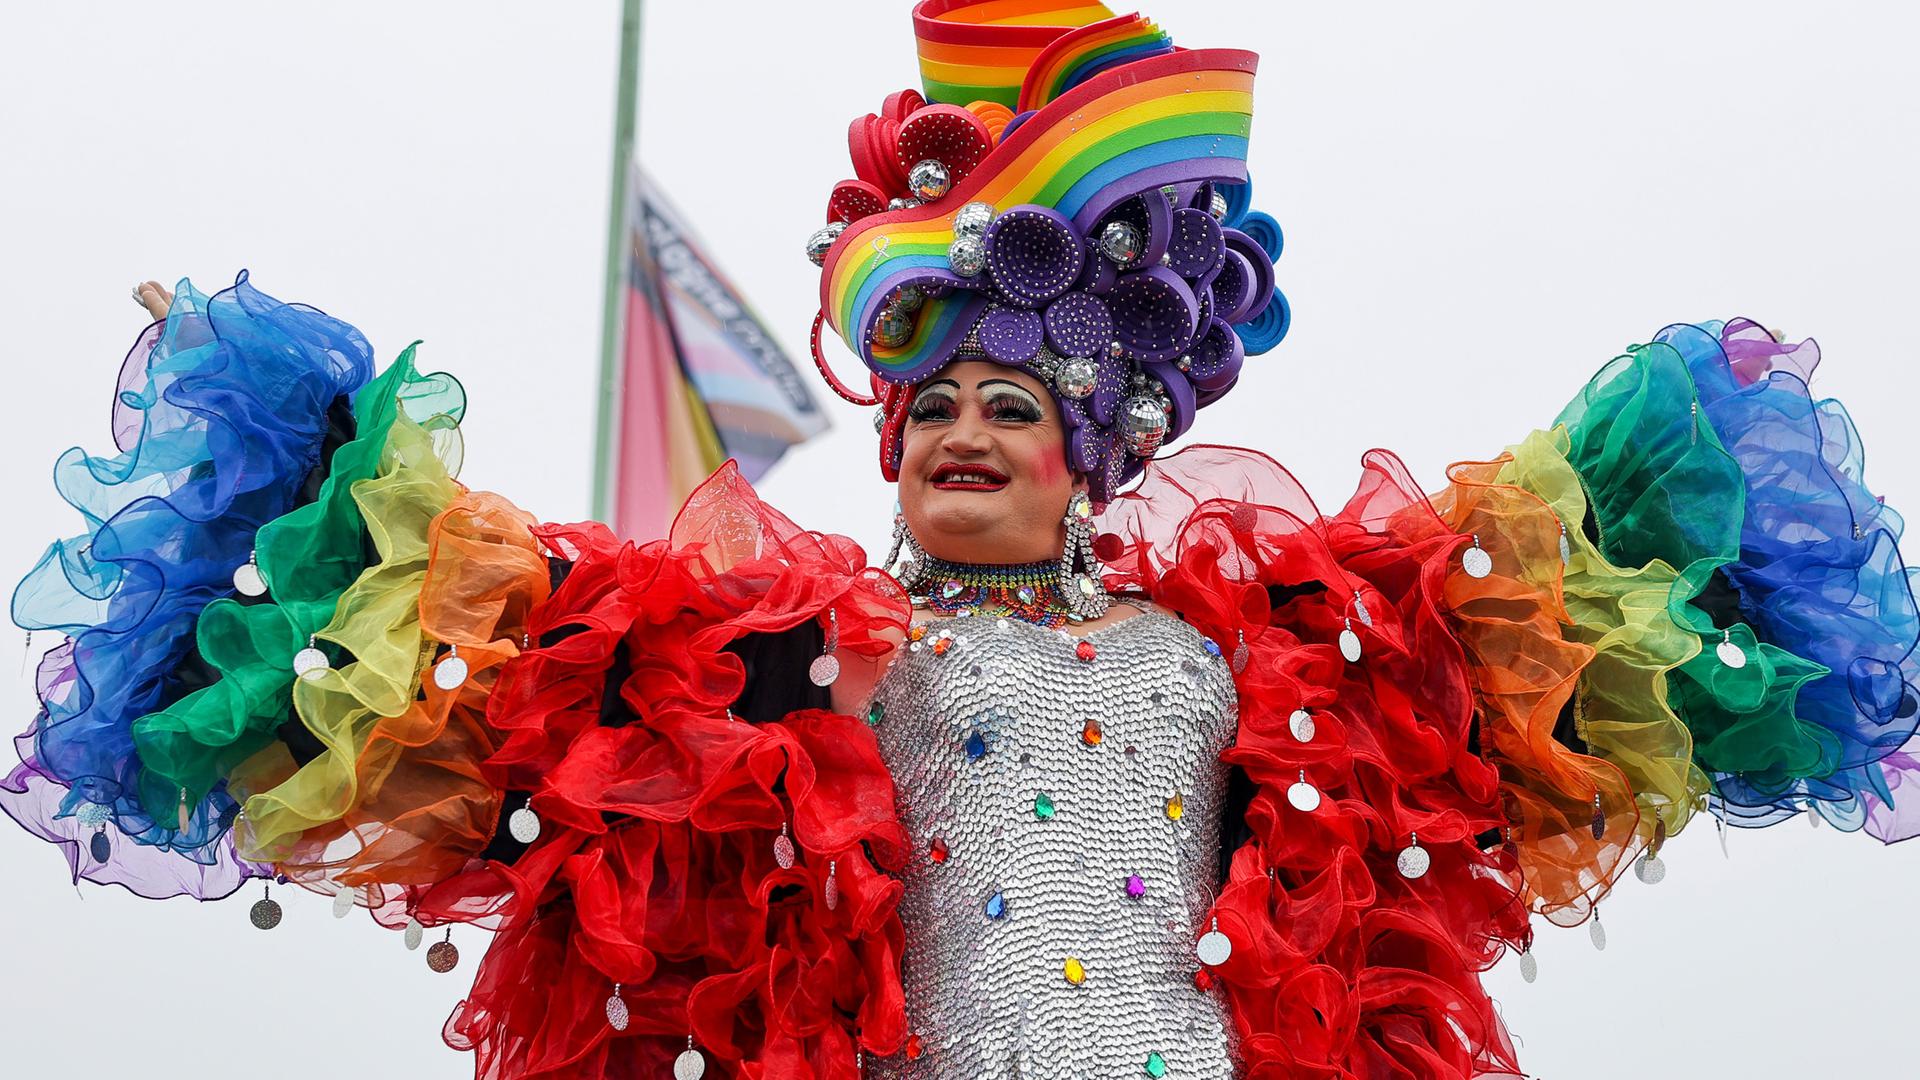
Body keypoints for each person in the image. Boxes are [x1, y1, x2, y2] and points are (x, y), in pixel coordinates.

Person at [10, 3, 1918, 1078]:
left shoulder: (1234, 650)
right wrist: (307, 480)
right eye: (931, 414)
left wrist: (1666, 497)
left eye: (1011, 411)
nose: (964, 439)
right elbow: (495, 685)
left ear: (1091, 458)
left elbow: (1519, 630)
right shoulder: (793, 654)